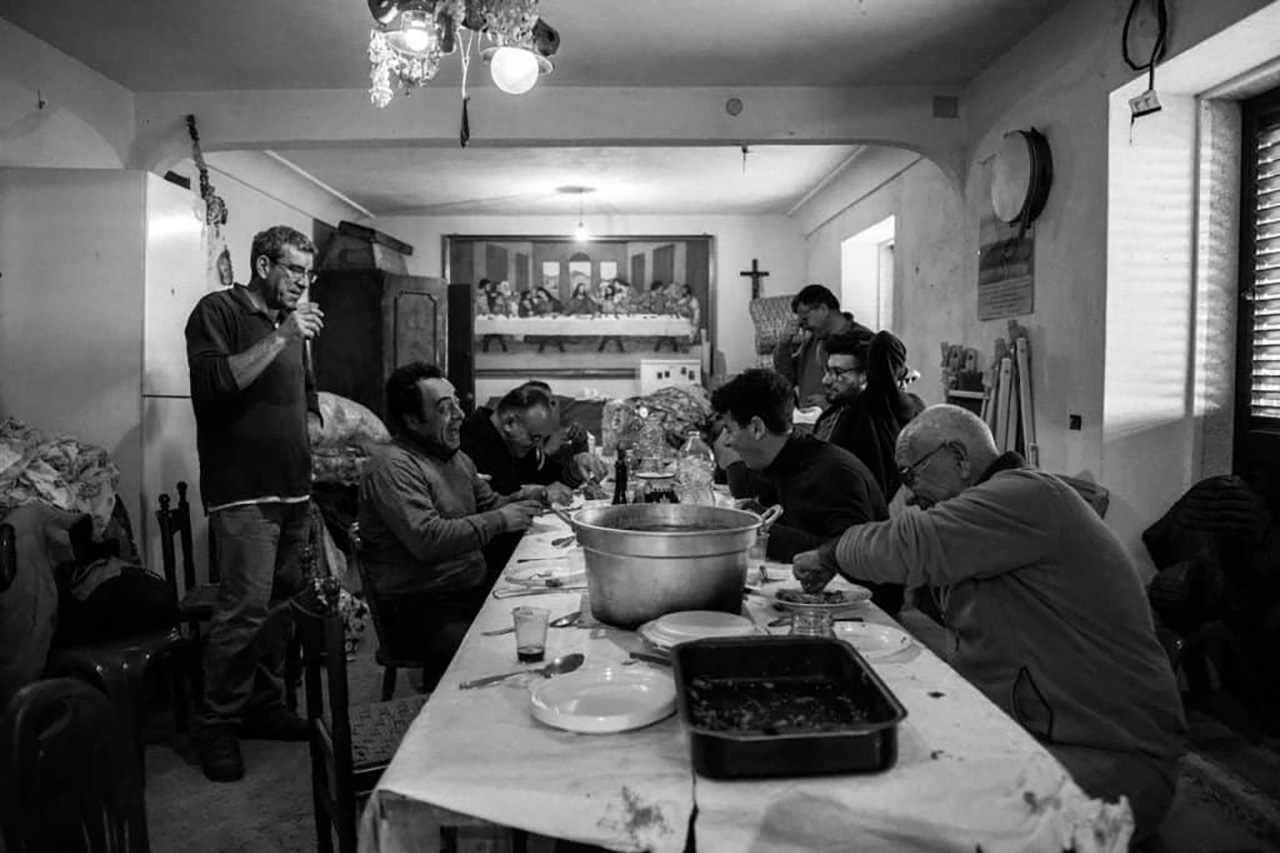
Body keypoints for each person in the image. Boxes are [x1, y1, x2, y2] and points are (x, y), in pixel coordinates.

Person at [792, 404, 1186, 841]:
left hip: (1113, 765)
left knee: (893, 814)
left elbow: (909, 546)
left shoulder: (1027, 497)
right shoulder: (997, 507)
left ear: (959, 458)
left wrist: (829, 554)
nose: (909, 494)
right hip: (1037, 736)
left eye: (910, 475)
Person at [186, 224, 325, 783]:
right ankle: (217, 725)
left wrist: (311, 419)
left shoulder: (288, 327)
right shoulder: (217, 311)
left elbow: (305, 387)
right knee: (241, 612)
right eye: (293, 270)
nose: (301, 282)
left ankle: (264, 707)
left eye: (306, 273)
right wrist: (283, 336)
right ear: (264, 265)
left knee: (279, 610)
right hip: (243, 492)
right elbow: (216, 383)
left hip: (293, 486)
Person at [357, 363, 544, 690]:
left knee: (542, 615)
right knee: (484, 654)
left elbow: (490, 504)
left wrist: (527, 498)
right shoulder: (391, 466)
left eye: (456, 403)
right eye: (445, 409)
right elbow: (427, 539)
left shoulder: (455, 459)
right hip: (418, 605)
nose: (460, 414)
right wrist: (501, 519)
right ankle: (445, 726)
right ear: (413, 420)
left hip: (464, 590)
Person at [710, 369, 901, 614]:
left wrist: (761, 532)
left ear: (757, 428)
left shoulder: (832, 472)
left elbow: (852, 554)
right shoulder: (785, 459)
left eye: (729, 429)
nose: (726, 441)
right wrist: (757, 515)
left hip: (865, 614)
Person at [820, 329, 926, 501]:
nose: (826, 380)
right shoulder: (839, 409)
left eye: (837, 372)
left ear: (866, 375)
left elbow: (884, 343)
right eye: (827, 370)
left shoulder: (878, 407)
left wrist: (900, 373)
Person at [773, 284, 871, 409]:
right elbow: (787, 378)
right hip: (808, 420)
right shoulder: (813, 339)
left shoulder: (863, 340)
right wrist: (784, 344)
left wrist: (831, 403)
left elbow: (873, 391)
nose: (802, 326)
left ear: (823, 309)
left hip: (841, 420)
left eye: (805, 319)